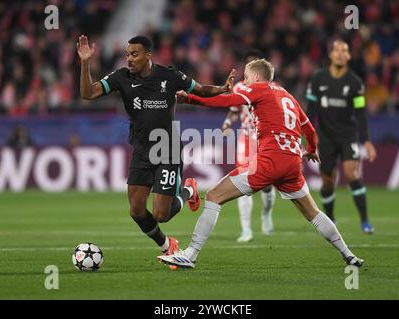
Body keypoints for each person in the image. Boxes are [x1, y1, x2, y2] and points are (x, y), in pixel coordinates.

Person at [158, 59, 364, 269]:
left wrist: (190, 99)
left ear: (256, 77)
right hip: (293, 163)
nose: (245, 83)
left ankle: (190, 254)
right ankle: (348, 255)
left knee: (213, 196)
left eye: (246, 78)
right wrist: (311, 149)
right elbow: (309, 129)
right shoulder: (287, 96)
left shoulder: (258, 89)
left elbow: (226, 101)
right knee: (313, 212)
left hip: (270, 160)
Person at [77, 35, 235, 258]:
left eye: (134, 54)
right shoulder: (121, 77)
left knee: (161, 214)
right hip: (141, 150)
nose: (129, 59)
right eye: (127, 54)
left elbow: (199, 90)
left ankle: (188, 191)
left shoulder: (169, 75)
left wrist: (222, 89)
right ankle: (166, 245)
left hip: (167, 148)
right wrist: (85, 63)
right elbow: (88, 93)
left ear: (148, 55)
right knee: (136, 210)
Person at [305, 40, 377, 234]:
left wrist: (367, 140)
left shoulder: (355, 83)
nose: (339, 54)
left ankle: (365, 221)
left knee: (352, 174)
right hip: (325, 137)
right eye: (336, 50)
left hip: (348, 136)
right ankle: (331, 220)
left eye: (344, 51)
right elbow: (310, 111)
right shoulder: (318, 79)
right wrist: (307, 136)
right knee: (328, 181)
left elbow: (360, 113)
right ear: (330, 54)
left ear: (348, 56)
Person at [221, 49, 276, 242]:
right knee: (244, 181)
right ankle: (246, 229)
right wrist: (227, 123)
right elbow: (234, 110)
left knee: (268, 185)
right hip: (246, 138)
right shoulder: (239, 88)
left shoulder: (274, 88)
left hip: (266, 139)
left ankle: (266, 214)